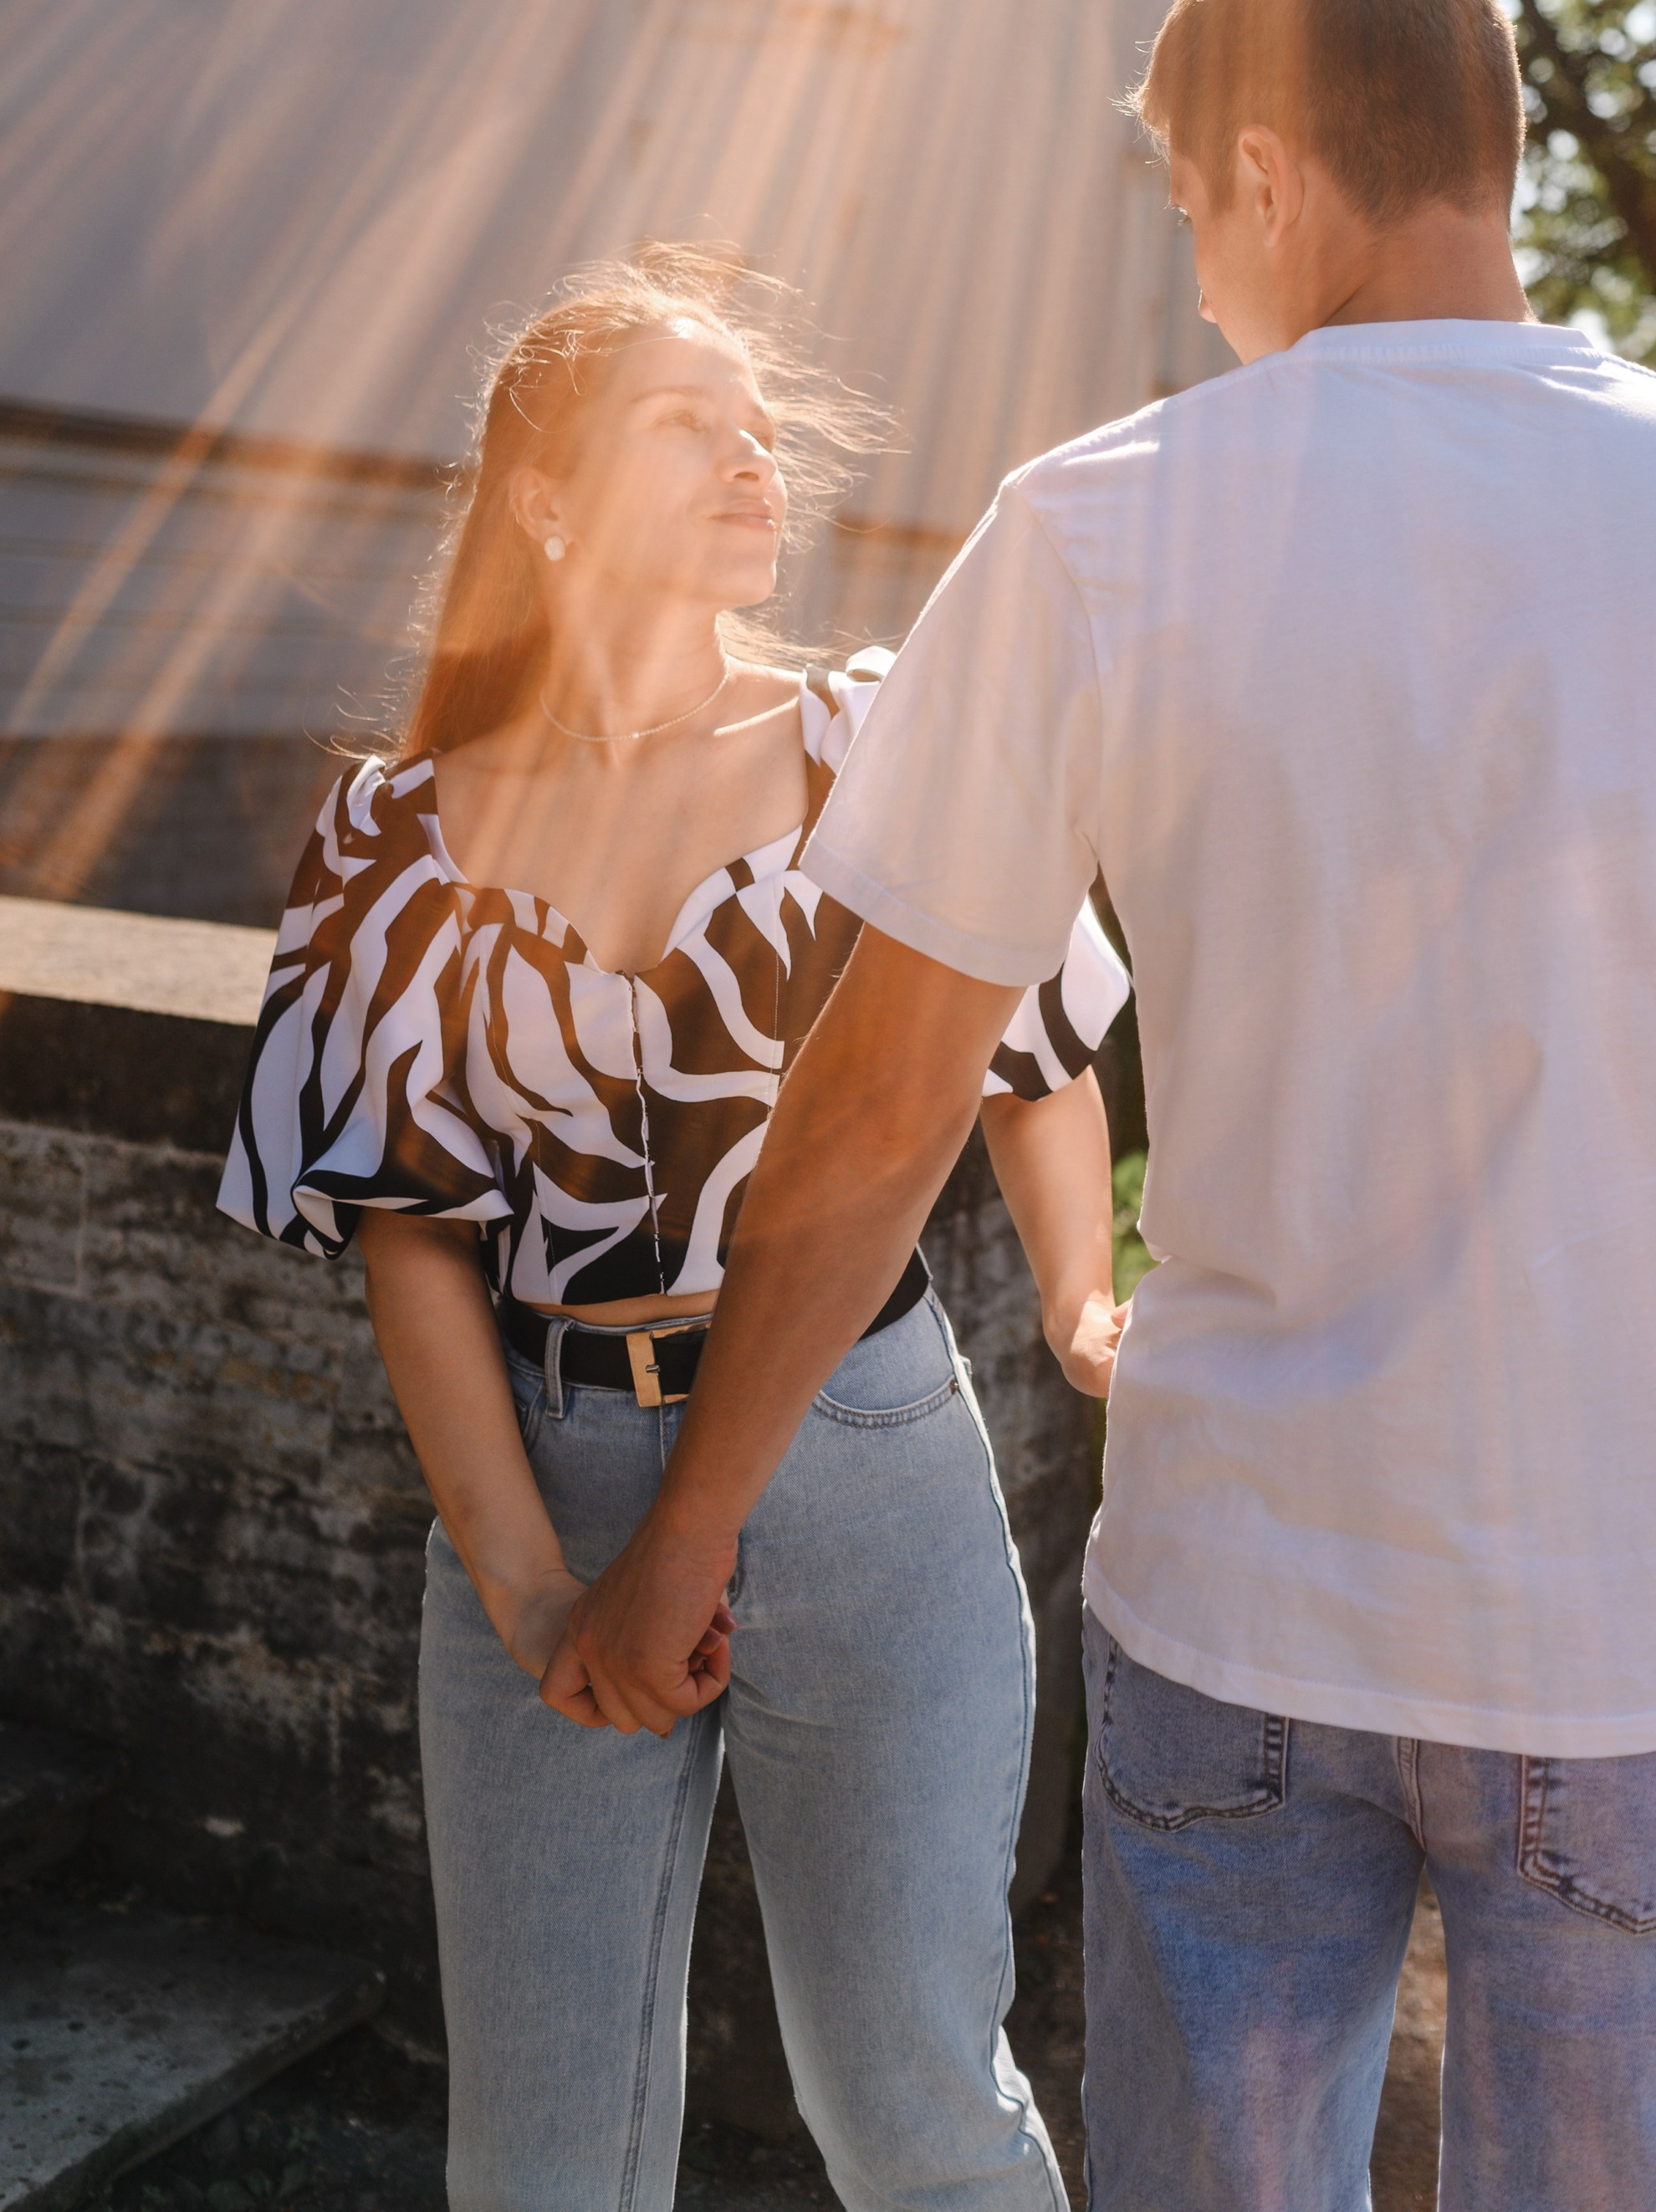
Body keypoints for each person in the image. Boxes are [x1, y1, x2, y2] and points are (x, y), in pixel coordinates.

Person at [560, 0, 1656, 2212]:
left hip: (1247, 1603)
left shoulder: (1101, 528)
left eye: (1197, 207)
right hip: (1631, 1602)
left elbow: (884, 1101)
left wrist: (685, 1535)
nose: (1198, 272)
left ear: (1277, 177)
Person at [216, 247, 1129, 2212]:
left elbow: (1035, 1044)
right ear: (539, 500)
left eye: (760, 428)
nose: (753, 460)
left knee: (910, 2105)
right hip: (542, 1462)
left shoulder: (872, 739)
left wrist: (1079, 1302)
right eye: (685, 424)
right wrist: (533, 1591)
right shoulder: (390, 835)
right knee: (537, 2154)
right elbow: (410, 1242)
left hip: (859, 1448)